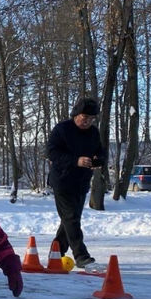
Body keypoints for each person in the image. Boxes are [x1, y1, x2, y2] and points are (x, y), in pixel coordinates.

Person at [47, 95, 106, 269]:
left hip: (81, 182)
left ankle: (56, 253)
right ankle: (81, 256)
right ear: (76, 114)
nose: (87, 121)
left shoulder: (93, 133)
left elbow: (100, 152)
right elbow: (52, 153)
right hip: (62, 181)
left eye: (91, 119)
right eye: (85, 117)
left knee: (70, 219)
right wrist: (76, 160)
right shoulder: (62, 129)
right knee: (71, 219)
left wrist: (97, 161)